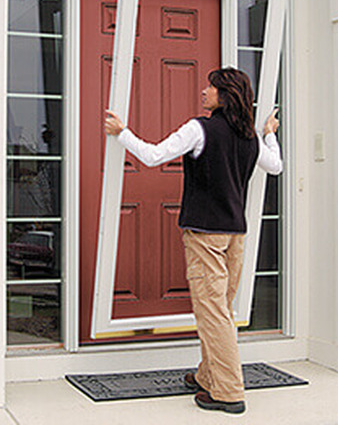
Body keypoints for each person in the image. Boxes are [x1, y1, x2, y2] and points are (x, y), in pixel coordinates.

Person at [104, 67, 282, 414]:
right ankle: (207, 375)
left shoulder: (199, 129)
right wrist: (270, 134)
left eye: (210, 87)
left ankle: (228, 392)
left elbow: (153, 156)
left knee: (213, 314)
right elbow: (275, 165)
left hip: (205, 235)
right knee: (220, 311)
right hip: (235, 236)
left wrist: (122, 132)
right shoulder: (250, 138)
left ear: (224, 94)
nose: (204, 91)